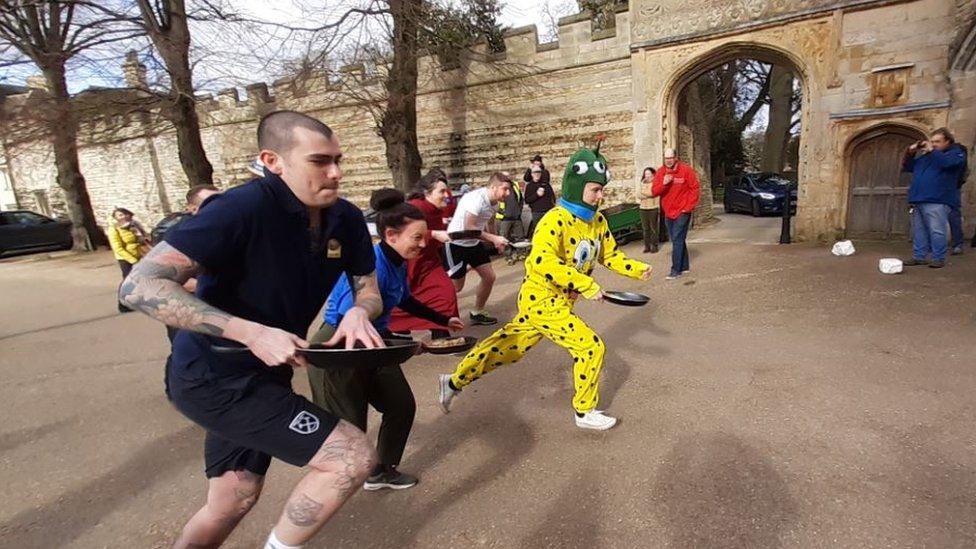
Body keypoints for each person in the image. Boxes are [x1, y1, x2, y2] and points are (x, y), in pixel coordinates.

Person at [120, 110, 385, 549]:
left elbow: (368, 287)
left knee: (232, 501)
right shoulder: (241, 208)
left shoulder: (346, 218)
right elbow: (138, 284)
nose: (336, 172)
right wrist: (251, 332)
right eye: (320, 161)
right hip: (212, 377)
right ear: (273, 160)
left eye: (339, 159)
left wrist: (360, 310)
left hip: (267, 377)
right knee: (350, 458)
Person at [438, 143, 652, 431]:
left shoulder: (597, 221)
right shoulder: (554, 220)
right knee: (590, 347)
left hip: (561, 302)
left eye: (602, 189)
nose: (601, 196)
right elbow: (542, 261)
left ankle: (453, 381)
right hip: (541, 299)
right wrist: (586, 284)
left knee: (507, 348)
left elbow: (610, 255)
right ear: (577, 188)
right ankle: (584, 411)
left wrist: (639, 270)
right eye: (595, 190)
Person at [308, 189, 464, 491]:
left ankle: (382, 470)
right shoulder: (372, 263)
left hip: (373, 342)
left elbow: (404, 299)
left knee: (401, 405)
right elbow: (351, 319)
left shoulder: (398, 261)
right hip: (340, 345)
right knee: (350, 423)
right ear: (391, 235)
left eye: (424, 237)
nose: (423, 244)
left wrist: (442, 320)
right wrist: (403, 344)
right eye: (416, 238)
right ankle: (330, 488)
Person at [389, 171, 461, 338]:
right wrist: (433, 234)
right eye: (441, 192)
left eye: (446, 191)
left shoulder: (437, 209)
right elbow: (404, 233)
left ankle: (440, 332)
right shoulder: (415, 207)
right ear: (428, 193)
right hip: (410, 261)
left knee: (445, 293)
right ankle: (397, 330)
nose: (446, 195)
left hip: (430, 262)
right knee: (401, 300)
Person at [444, 172, 512, 325]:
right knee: (456, 287)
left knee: (489, 277)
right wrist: (493, 238)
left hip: (474, 243)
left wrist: (496, 242)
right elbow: (469, 228)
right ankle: (438, 313)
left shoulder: (495, 202)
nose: (507, 194)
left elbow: (490, 222)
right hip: (456, 244)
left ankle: (477, 312)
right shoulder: (476, 199)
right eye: (505, 189)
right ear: (493, 187)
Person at [902, 128, 968, 268]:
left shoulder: (956, 153)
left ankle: (938, 257)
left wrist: (932, 151)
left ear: (947, 142)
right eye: (932, 141)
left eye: (937, 141)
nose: (933, 144)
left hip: (938, 198)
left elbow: (947, 164)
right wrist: (910, 152)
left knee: (937, 230)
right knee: (919, 231)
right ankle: (919, 256)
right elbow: (908, 167)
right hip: (919, 198)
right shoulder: (926, 157)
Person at [652, 148, 700, 280]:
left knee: (677, 239)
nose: (668, 161)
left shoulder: (686, 170)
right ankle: (684, 266)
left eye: (670, 158)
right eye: (666, 159)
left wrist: (688, 207)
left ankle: (675, 270)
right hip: (668, 212)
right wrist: (664, 183)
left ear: (675, 157)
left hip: (682, 211)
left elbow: (694, 188)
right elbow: (654, 191)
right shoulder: (661, 172)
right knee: (677, 239)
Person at [108, 207, 150, 313]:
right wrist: (133, 260)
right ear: (115, 218)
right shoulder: (114, 229)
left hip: (141, 254)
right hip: (125, 258)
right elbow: (118, 248)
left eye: (124, 214)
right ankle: (122, 304)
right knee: (128, 281)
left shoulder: (134, 225)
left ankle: (145, 301)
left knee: (144, 278)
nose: (123, 217)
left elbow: (144, 238)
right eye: (119, 215)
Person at [947, 143, 969, 255]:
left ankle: (958, 244)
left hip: (952, 188)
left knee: (953, 215)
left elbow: (963, 171)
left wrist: (958, 184)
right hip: (948, 187)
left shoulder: (958, 151)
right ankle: (957, 244)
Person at [496, 177, 525, 258]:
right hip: (505, 218)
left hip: (516, 217)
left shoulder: (515, 186)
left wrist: (519, 211)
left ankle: (521, 254)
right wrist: (502, 213)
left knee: (520, 237)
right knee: (504, 238)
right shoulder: (499, 187)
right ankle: (508, 255)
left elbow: (521, 199)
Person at [524, 164, 556, 238]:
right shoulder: (529, 186)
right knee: (538, 232)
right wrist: (537, 195)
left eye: (539, 172)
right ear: (532, 174)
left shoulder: (545, 184)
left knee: (549, 231)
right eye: (535, 172)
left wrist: (553, 207)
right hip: (537, 213)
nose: (537, 174)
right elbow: (527, 200)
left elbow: (552, 196)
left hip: (548, 211)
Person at [638, 166, 661, 253]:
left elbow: (653, 193)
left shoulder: (655, 183)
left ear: (652, 174)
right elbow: (638, 194)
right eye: (645, 173)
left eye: (648, 173)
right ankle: (646, 246)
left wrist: (644, 193)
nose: (647, 175)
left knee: (653, 228)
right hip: (643, 208)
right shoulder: (641, 183)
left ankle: (654, 246)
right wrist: (647, 194)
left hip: (653, 208)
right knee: (645, 228)